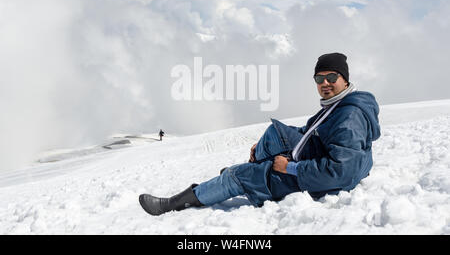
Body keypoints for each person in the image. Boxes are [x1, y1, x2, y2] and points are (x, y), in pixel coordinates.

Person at [139, 52, 381, 216]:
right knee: (275, 133)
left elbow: (340, 171)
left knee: (235, 175)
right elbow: (314, 135)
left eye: (331, 77)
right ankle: (254, 171)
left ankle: (174, 203)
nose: (325, 83)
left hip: (321, 182)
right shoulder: (341, 105)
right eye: (320, 78)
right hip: (317, 157)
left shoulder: (349, 118)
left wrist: (290, 168)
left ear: (345, 78)